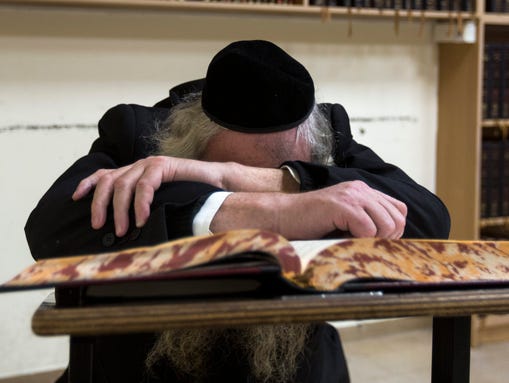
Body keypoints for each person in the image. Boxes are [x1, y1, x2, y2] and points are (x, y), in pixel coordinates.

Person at [25, 40, 450, 383]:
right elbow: (51, 229)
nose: (259, 177)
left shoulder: (329, 132)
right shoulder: (139, 134)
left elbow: (430, 220)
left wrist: (238, 177)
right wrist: (244, 207)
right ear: (191, 140)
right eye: (235, 163)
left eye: (276, 169)